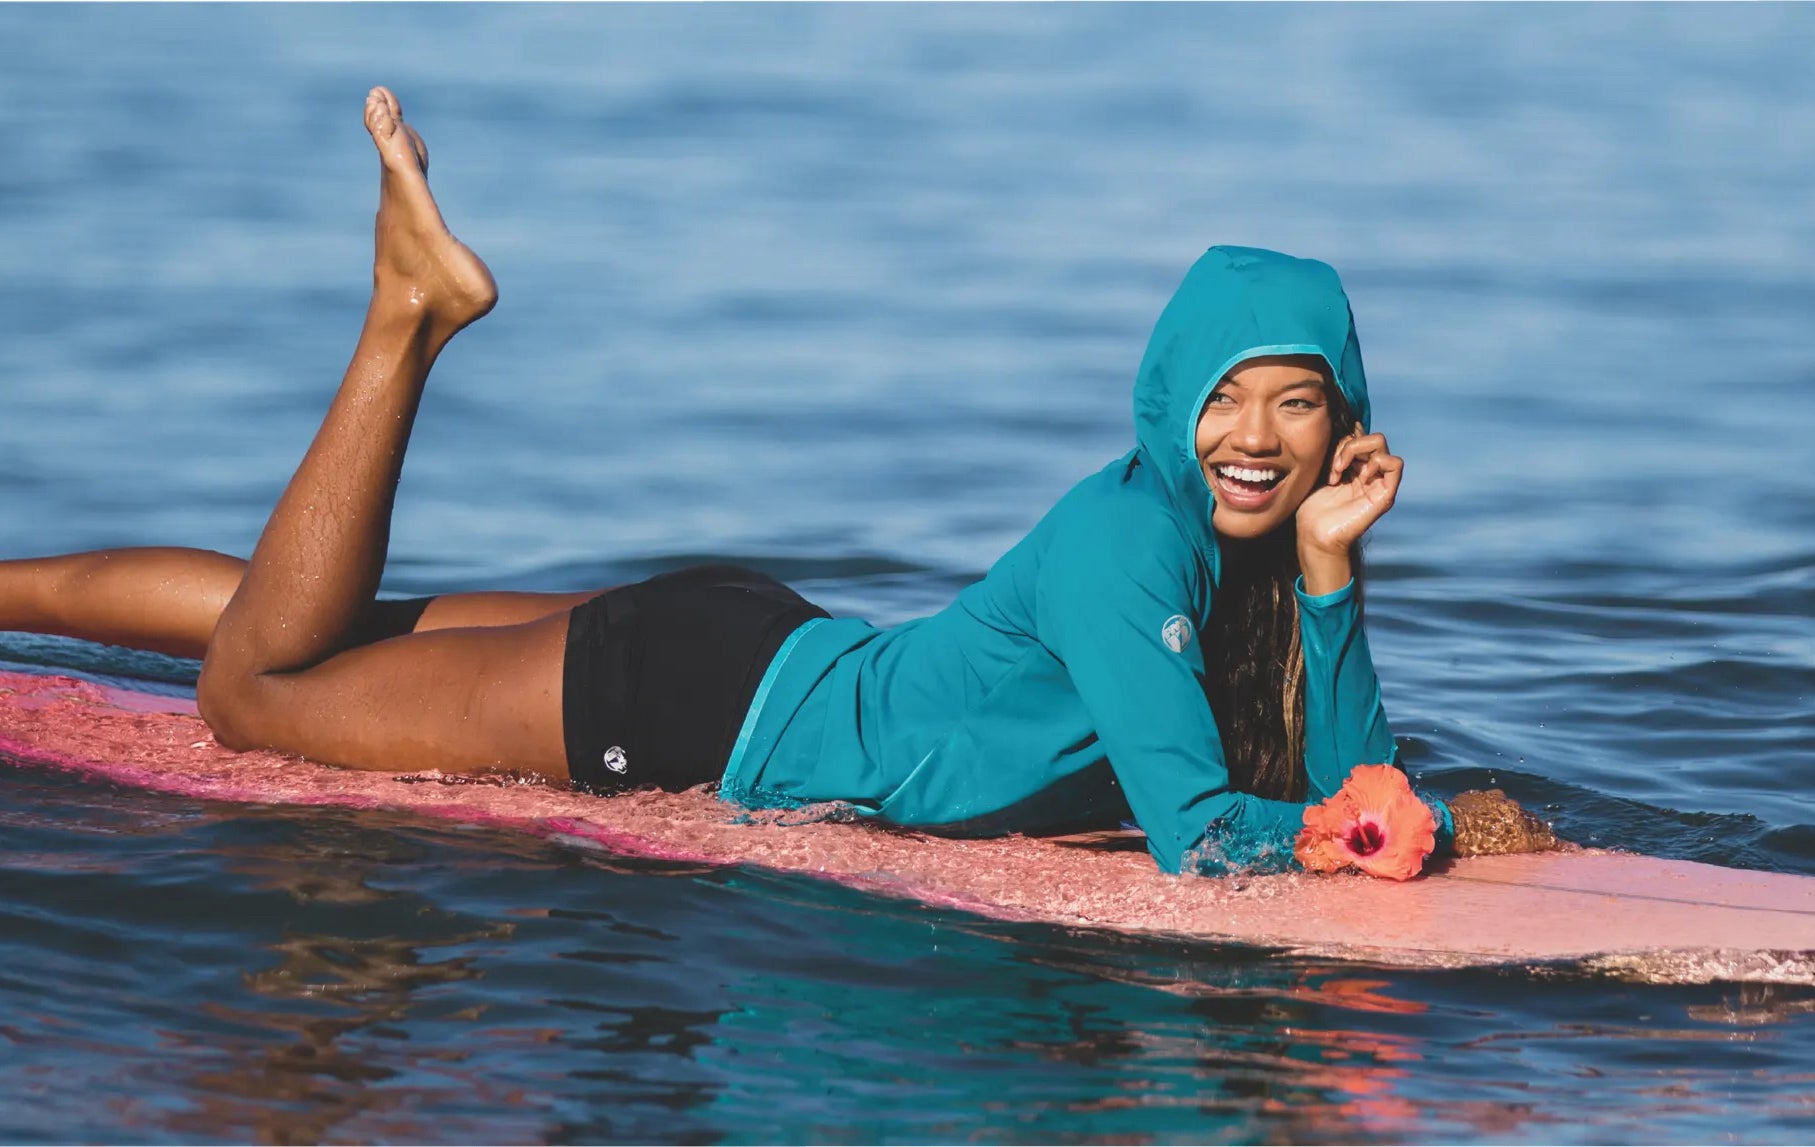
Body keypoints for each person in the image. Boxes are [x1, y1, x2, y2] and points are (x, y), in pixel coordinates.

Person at [0, 89, 1553, 876]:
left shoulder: (1270, 553)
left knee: (327, 625)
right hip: (693, 710)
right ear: (1168, 401)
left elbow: (1343, 775)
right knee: (258, 694)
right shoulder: (1121, 545)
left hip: (768, 649)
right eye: (1228, 395)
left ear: (1342, 419)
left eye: (1300, 403)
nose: (1262, 438)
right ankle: (407, 314)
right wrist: (1366, 844)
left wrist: (1339, 579)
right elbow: (1204, 835)